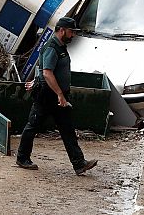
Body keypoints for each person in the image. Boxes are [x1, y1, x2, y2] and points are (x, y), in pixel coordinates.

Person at [16, 17, 98, 176]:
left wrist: (38, 81)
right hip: (48, 95)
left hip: (58, 95)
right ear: (62, 30)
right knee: (32, 126)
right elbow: (47, 72)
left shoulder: (60, 46)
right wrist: (59, 94)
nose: (73, 35)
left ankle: (79, 163)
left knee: (67, 129)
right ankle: (22, 157)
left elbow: (43, 68)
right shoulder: (52, 47)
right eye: (71, 31)